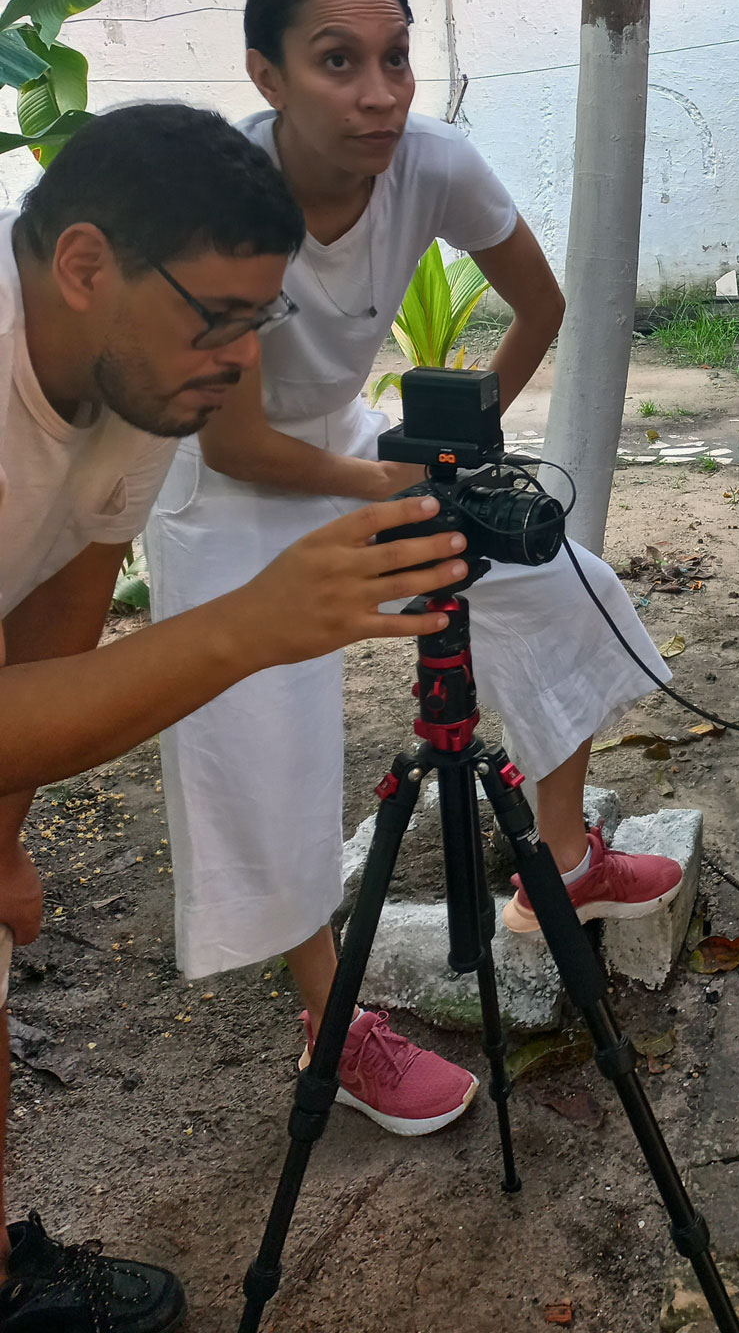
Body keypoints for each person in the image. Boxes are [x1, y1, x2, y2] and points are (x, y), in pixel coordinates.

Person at [145, 0, 684, 1139]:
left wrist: (460, 441)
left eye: (395, 57)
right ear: (267, 74)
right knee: (266, 729)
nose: (380, 91)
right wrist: (394, 486)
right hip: (213, 479)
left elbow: (540, 306)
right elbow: (236, 447)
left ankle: (561, 868)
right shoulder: (219, 203)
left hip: (342, 439)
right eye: (338, 60)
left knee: (559, 583)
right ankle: (332, 1028)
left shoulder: (431, 162)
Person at [0, 104, 475, 1332]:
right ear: (85, 266)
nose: (235, 365)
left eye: (253, 324)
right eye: (214, 321)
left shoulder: (141, 386)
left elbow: (53, 631)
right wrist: (250, 626)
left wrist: (1, 845)